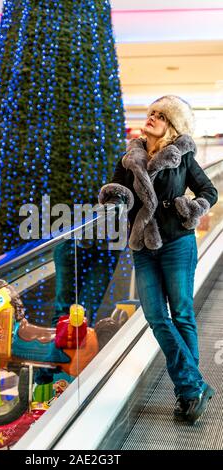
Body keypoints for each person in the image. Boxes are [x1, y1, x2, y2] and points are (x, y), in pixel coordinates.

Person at [98, 95, 218, 424]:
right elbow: (115, 190)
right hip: (143, 246)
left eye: (159, 115)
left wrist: (192, 210)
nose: (151, 117)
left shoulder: (182, 154)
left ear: (171, 125)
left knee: (181, 314)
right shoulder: (131, 156)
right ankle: (193, 387)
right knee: (155, 316)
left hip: (177, 241)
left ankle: (186, 394)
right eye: (150, 113)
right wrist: (114, 199)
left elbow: (209, 191)